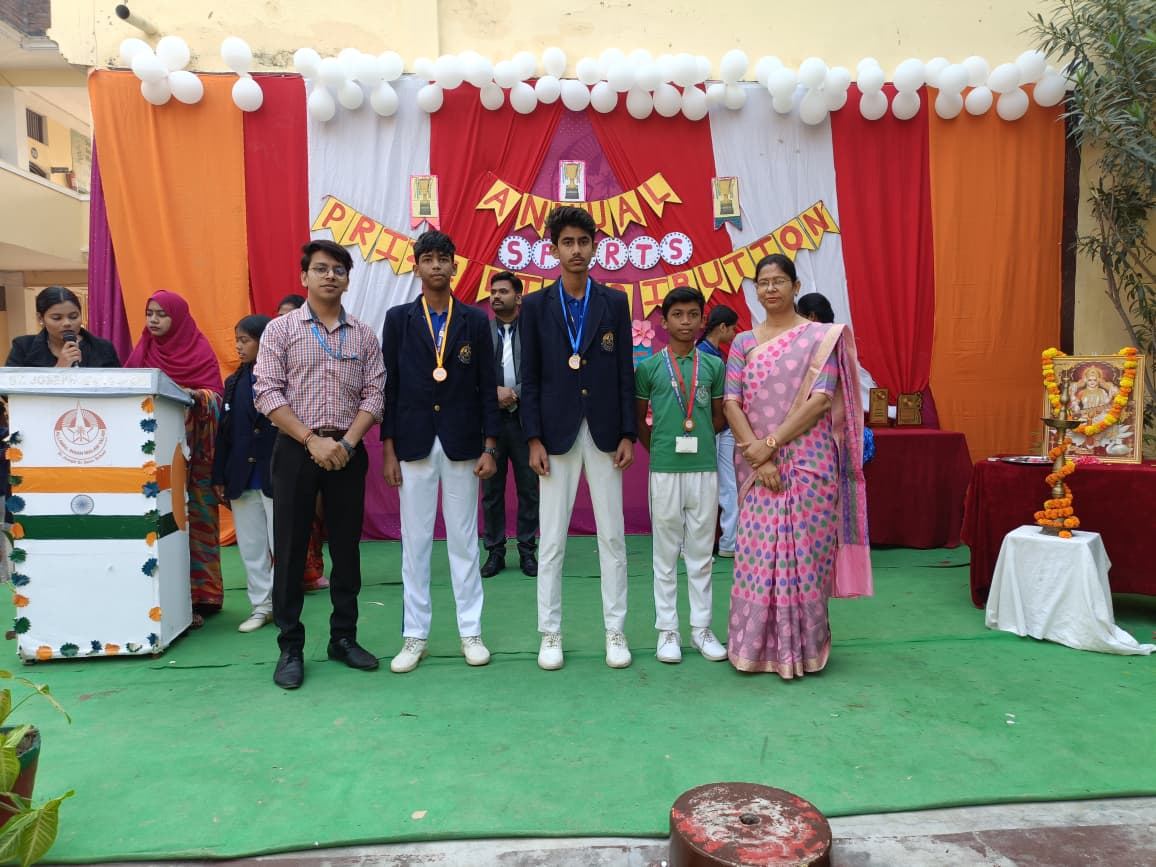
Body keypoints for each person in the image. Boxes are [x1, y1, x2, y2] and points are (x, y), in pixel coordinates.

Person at [723, 254, 872, 678]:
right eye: (763, 282)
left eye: (778, 281)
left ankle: (804, 650)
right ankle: (753, 648)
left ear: (795, 285)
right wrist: (758, 455)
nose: (770, 289)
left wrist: (770, 445)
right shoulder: (743, 343)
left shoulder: (820, 338)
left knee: (806, 557)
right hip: (757, 467)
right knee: (756, 558)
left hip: (808, 465)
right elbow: (731, 402)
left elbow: (821, 400)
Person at [254, 240, 385, 690]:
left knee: (346, 549)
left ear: (348, 280)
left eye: (339, 270)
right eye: (321, 269)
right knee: (290, 548)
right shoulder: (281, 330)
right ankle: (290, 647)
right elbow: (266, 392)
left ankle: (343, 638)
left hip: (347, 449)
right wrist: (311, 440)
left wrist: (345, 442)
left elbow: (375, 394)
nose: (330, 276)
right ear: (304, 277)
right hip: (296, 447)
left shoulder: (363, 334)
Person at [519, 206, 636, 671]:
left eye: (583, 242)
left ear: (595, 247)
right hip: (555, 435)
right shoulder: (535, 306)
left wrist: (628, 431)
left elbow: (624, 371)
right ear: (554, 249)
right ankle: (550, 632)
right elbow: (530, 378)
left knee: (613, 536)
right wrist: (533, 438)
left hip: (605, 432)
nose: (575, 250)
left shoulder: (614, 302)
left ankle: (615, 631)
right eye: (567, 242)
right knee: (551, 540)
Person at [381, 230, 500, 673]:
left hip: (462, 443)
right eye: (427, 258)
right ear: (416, 267)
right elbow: (389, 387)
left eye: (442, 258)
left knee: (465, 542)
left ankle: (471, 632)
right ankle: (415, 635)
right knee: (415, 544)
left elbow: (487, 386)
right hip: (413, 442)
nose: (435, 265)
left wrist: (490, 445)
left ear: (454, 266)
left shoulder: (473, 321)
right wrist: (389, 449)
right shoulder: (398, 319)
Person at [635, 288, 728, 664]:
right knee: (665, 553)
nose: (685, 322)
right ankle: (668, 631)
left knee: (702, 554)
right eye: (677, 315)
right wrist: (661, 449)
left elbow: (719, 418)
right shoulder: (649, 368)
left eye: (693, 315)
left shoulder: (714, 367)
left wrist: (698, 438)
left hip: (704, 469)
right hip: (664, 471)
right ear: (663, 321)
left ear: (703, 320)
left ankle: (701, 628)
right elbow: (640, 421)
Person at [126, 290, 225, 627]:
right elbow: (128, 392)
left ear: (178, 318)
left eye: (161, 314)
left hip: (194, 463)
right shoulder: (143, 351)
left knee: (195, 519)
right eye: (149, 313)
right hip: (151, 458)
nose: (153, 320)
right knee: (158, 522)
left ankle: (203, 595)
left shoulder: (199, 351)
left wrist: (197, 397)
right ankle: (159, 596)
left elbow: (216, 398)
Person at [212, 315, 277, 633]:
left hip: (276, 475)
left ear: (265, 342)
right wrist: (219, 476)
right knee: (251, 548)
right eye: (237, 340)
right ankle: (261, 606)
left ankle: (285, 604)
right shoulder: (234, 382)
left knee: (282, 545)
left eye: (245, 340)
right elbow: (225, 433)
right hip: (241, 475)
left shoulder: (284, 377)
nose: (238, 346)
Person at [480, 271, 540, 579]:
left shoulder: (533, 330)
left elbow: (543, 372)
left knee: (529, 489)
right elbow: (472, 373)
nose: (495, 296)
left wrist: (514, 392)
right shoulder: (480, 330)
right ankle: (495, 552)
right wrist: (494, 392)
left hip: (525, 420)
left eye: (503, 292)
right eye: (493, 292)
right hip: (490, 422)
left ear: (518, 297)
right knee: (491, 490)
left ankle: (528, 551)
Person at [274, 293, 329, 592]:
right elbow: (267, 397)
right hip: (285, 445)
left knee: (316, 515)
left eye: (290, 314)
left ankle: (314, 568)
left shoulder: (320, 347)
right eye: (279, 315)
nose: (284, 320)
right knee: (288, 523)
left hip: (327, 444)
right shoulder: (272, 347)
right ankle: (286, 588)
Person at [797, 292, 877, 463]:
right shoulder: (840, 337)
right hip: (836, 416)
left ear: (811, 316)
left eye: (798, 316)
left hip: (823, 420)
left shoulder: (823, 341)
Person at [697, 305, 739, 558]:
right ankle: (721, 543)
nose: (734, 334)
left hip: (721, 427)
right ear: (722, 327)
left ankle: (728, 543)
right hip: (709, 428)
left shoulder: (713, 354)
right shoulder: (703, 355)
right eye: (733, 328)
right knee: (711, 487)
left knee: (725, 486)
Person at [7, 286, 120, 368]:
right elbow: (9, 389)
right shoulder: (23, 347)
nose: (67, 323)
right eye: (57, 318)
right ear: (40, 318)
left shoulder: (103, 348)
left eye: (73, 316)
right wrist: (59, 369)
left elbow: (117, 387)